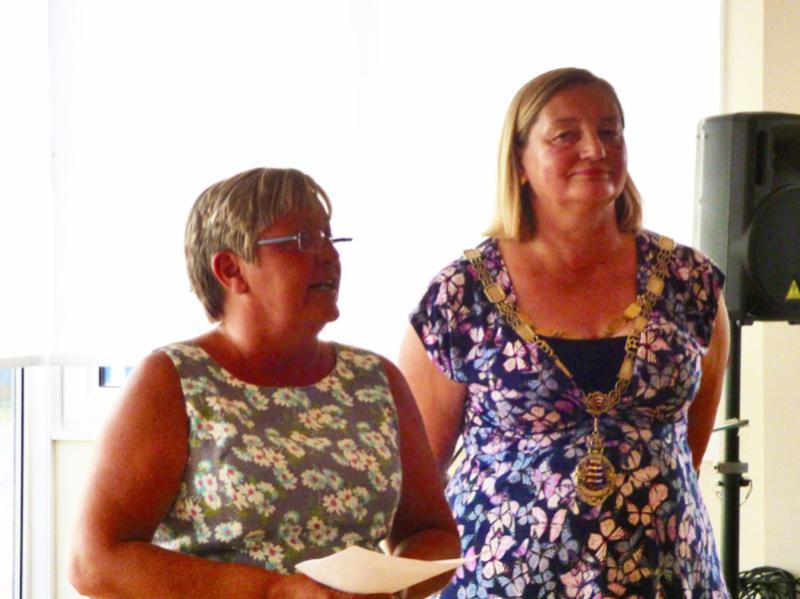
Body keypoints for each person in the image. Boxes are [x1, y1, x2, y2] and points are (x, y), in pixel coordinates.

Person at [399, 68, 731, 597]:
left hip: (669, 576)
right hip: (502, 582)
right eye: (565, 135)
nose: (595, 149)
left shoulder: (690, 283)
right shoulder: (461, 296)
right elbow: (417, 486)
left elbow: (686, 446)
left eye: (610, 131)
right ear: (520, 161)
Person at [69, 167, 461, 599]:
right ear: (230, 268)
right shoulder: (173, 381)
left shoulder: (376, 379)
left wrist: (391, 588)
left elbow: (432, 534)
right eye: (302, 240)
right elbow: (95, 561)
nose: (329, 255)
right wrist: (275, 591)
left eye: (329, 237)